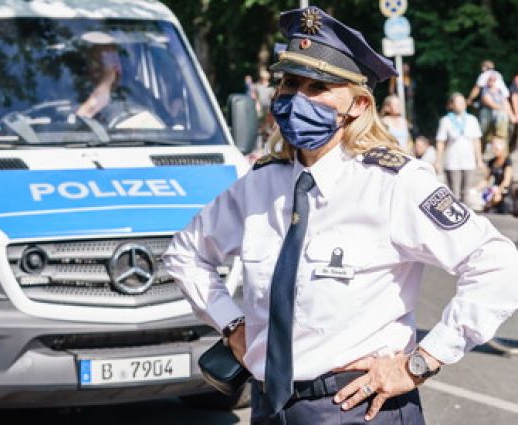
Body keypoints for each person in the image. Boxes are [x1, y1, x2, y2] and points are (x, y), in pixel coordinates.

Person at [163, 6, 518, 425]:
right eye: (290, 83)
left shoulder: (393, 183)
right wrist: (232, 325)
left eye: (319, 87)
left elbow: (498, 265)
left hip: (354, 407)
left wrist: (421, 362)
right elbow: (185, 254)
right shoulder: (259, 185)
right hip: (269, 406)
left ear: (358, 104)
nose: (297, 98)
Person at [435, 92, 485, 202]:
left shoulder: (472, 119)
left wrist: (479, 159)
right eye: (458, 102)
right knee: (454, 193)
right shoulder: (446, 121)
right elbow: (440, 142)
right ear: (451, 105)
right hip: (452, 161)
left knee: (466, 193)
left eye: (463, 102)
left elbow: (476, 141)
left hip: (468, 161)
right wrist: (438, 161)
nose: (461, 104)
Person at [76, 34, 122, 119]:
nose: (95, 67)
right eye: (92, 61)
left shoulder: (132, 99)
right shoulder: (81, 88)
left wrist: (106, 84)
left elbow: (109, 74)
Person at [480, 73, 515, 146]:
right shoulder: (485, 90)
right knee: (484, 131)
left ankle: (502, 142)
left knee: (505, 122)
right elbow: (489, 102)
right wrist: (503, 109)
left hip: (499, 116)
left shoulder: (499, 91)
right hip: (488, 115)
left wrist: (512, 116)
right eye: (490, 79)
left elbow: (506, 103)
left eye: (493, 79)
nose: (491, 81)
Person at [480, 137, 514, 213]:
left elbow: (506, 181)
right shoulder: (491, 162)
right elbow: (486, 180)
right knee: (486, 194)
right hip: (495, 189)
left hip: (505, 190)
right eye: (493, 148)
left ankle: (490, 205)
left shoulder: (507, 161)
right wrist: (475, 189)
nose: (494, 150)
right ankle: (489, 205)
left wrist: (498, 190)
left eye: (496, 148)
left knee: (496, 198)